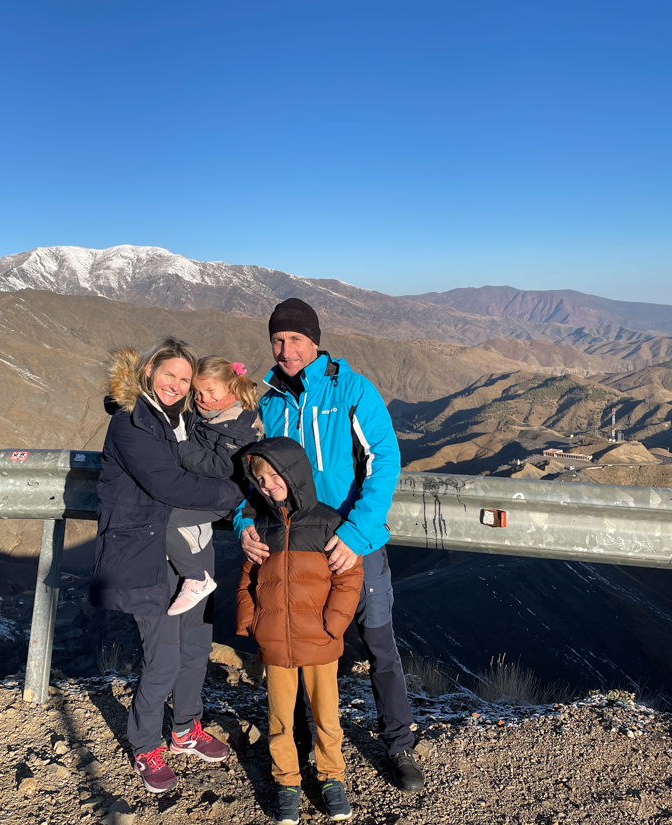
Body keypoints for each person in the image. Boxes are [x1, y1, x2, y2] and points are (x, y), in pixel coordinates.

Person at [233, 298, 425, 793]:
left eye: (295, 339)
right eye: (277, 340)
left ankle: (398, 744)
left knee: (378, 641)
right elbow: (256, 477)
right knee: (299, 646)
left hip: (351, 542)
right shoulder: (271, 400)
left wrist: (357, 533)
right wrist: (242, 519)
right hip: (292, 544)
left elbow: (384, 458)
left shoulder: (353, 389)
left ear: (314, 341)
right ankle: (300, 747)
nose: (286, 349)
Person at [90, 337, 246, 794]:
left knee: (197, 648)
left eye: (185, 378)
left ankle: (185, 730)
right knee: (163, 660)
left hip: (190, 549)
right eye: (169, 375)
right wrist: (237, 496)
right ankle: (143, 747)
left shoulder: (178, 421)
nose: (178, 385)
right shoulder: (131, 423)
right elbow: (172, 486)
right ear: (148, 373)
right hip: (147, 555)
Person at [236, 437, 363, 823]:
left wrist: (333, 625)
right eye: (261, 479)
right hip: (275, 641)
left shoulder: (327, 522)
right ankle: (287, 782)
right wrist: (251, 622)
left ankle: (331, 777)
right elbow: (247, 580)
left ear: (295, 474)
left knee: (326, 716)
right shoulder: (260, 526)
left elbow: (349, 576)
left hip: (320, 642)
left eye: (275, 475)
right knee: (279, 719)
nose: (269, 484)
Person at [166, 356, 263, 616]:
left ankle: (195, 577)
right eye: (198, 392)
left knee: (160, 520)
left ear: (231, 389)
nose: (203, 398)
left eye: (210, 391)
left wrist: (180, 450)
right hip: (208, 489)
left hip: (225, 494)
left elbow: (221, 466)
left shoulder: (238, 424)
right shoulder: (210, 415)